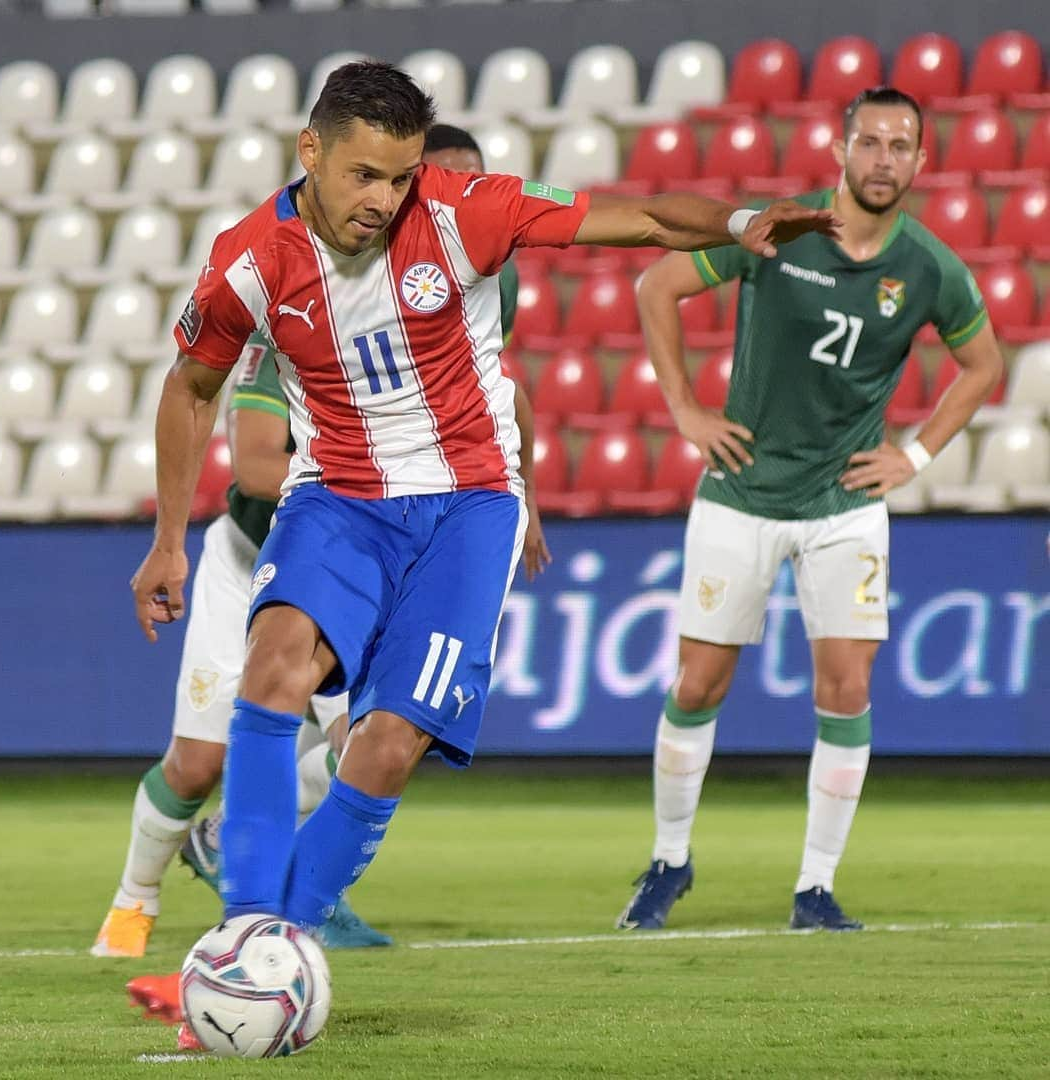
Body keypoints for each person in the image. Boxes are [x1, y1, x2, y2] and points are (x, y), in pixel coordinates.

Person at [129, 58, 835, 1024]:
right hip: (337, 496)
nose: (383, 199)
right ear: (310, 151)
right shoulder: (250, 259)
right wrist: (169, 539)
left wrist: (741, 222)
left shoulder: (465, 212)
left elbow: (640, 219)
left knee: (385, 746)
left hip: (467, 506)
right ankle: (243, 949)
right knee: (274, 669)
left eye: (400, 177)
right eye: (363, 175)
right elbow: (191, 385)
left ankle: (272, 949)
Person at [616, 86, 1004, 934]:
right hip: (741, 492)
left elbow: (982, 364)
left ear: (921, 162)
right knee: (697, 682)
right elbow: (657, 285)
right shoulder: (777, 232)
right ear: (839, 149)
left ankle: (815, 888)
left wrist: (917, 454)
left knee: (847, 687)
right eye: (870, 141)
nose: (884, 159)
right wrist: (683, 408)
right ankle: (669, 862)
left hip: (844, 505)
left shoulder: (930, 267)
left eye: (901, 145)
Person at [169, 120, 553, 909]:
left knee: (381, 740)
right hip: (297, 533)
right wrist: (168, 539)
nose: (408, 200)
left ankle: (283, 924)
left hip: (442, 522)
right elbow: (243, 455)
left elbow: (502, 391)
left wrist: (527, 500)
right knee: (215, 742)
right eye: (388, 178)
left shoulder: (479, 267)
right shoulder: (282, 278)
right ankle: (204, 908)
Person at [93, 337, 391, 963]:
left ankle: (256, 861)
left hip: (343, 568)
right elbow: (256, 468)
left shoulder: (422, 313)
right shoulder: (279, 338)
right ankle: (133, 901)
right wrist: (393, 473)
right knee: (198, 763)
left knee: (373, 748)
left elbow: (502, 388)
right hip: (250, 560)